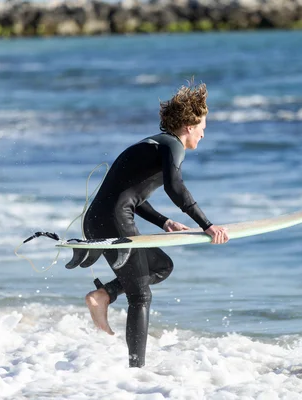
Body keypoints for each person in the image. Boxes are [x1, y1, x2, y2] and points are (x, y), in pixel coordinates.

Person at [66, 81, 229, 368]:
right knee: (141, 295)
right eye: (203, 125)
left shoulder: (154, 144)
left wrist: (164, 221)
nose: (204, 133)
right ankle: (136, 373)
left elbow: (131, 197)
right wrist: (208, 225)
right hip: (113, 222)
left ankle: (104, 294)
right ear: (189, 125)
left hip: (98, 220)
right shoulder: (173, 146)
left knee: (161, 266)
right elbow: (175, 188)